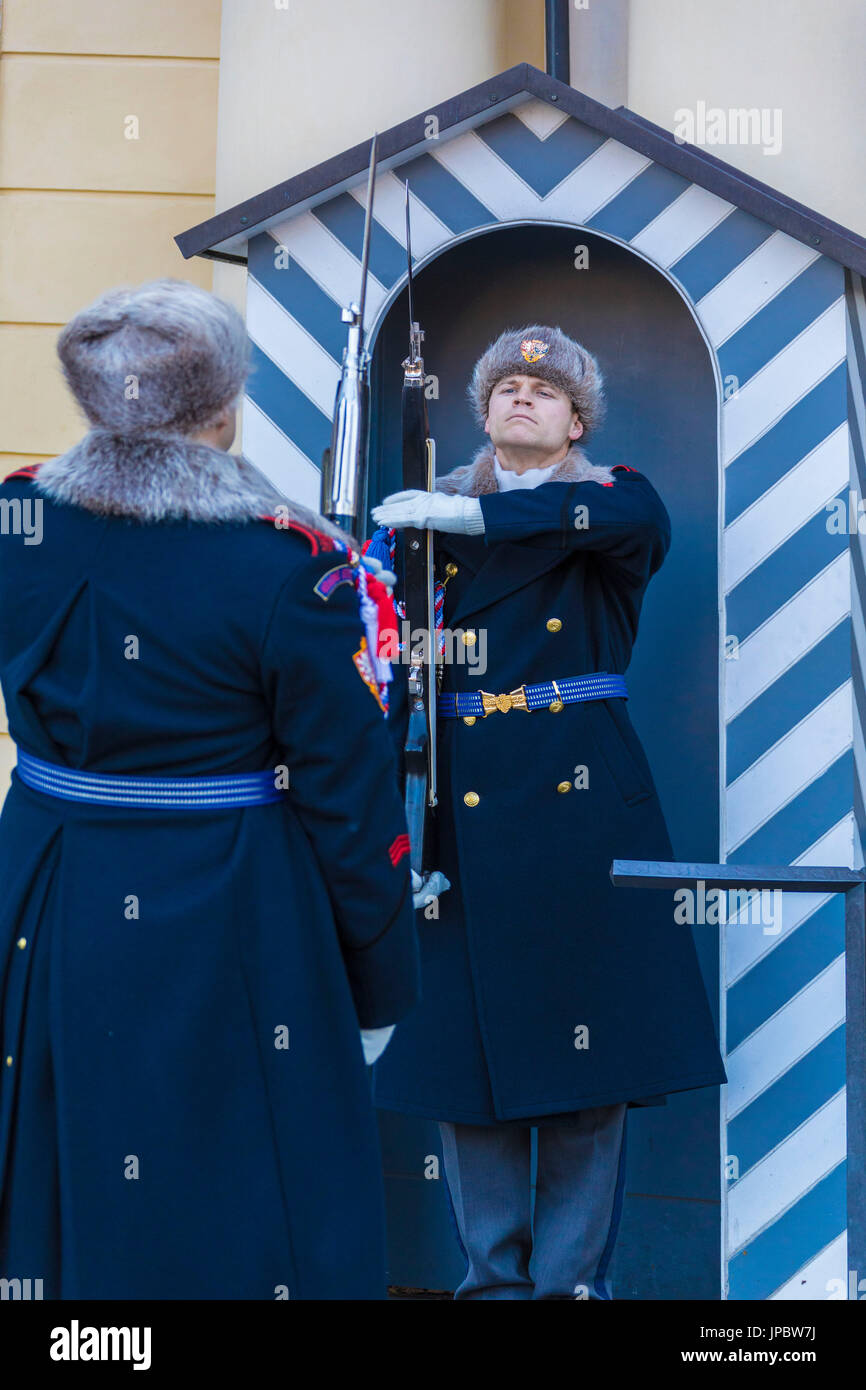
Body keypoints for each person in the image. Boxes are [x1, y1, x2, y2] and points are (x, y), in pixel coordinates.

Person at [0, 278, 419, 1299]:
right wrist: (376, 979)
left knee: (58, 1157)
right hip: (230, 907)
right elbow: (349, 798)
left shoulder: (16, 516)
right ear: (222, 407)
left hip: (47, 886)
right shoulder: (290, 565)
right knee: (242, 1193)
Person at [369, 324, 727, 1300]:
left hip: (576, 809)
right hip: (455, 806)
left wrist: (473, 518)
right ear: (482, 414)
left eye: (544, 388)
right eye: (503, 388)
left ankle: (568, 1287)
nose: (520, 396)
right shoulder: (427, 528)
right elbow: (392, 664)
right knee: (464, 1064)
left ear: (576, 420)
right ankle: (489, 1282)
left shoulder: (616, 498)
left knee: (586, 1059)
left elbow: (614, 524)